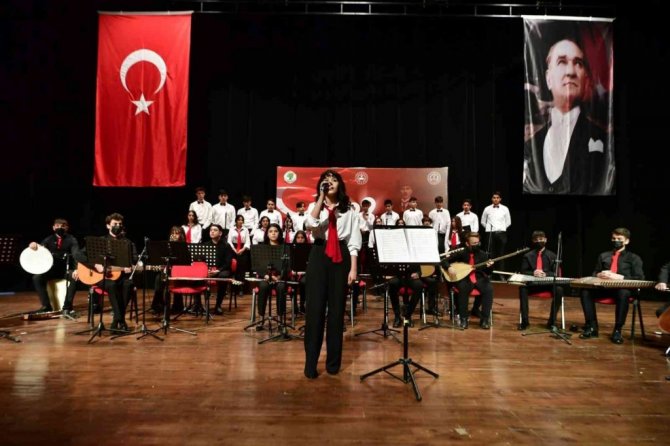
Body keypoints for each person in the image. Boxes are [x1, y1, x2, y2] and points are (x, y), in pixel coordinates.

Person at [523, 37, 613, 195]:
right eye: (562, 62)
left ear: (586, 80)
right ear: (548, 79)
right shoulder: (531, 146)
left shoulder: (604, 141)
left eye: (578, 63)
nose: (571, 72)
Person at [304, 169, 361, 379]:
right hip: (319, 254)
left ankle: (333, 363)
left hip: (341, 256)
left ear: (340, 185)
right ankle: (310, 363)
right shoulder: (314, 206)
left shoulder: (349, 210)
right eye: (326, 180)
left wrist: (353, 268)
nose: (330, 182)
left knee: (337, 312)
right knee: (315, 310)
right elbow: (310, 225)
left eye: (334, 179)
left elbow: (354, 240)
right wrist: (321, 199)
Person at [579, 227, 644, 344]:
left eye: (619, 239)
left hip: (623, 290)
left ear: (626, 241)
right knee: (585, 291)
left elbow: (640, 278)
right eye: (614, 238)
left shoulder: (634, 258)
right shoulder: (603, 255)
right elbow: (595, 272)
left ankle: (617, 330)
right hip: (605, 288)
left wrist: (619, 277)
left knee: (623, 293)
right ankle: (592, 326)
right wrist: (599, 274)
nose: (616, 241)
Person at [91, 213, 137, 331]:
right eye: (115, 224)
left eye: (120, 224)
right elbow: (81, 255)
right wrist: (96, 265)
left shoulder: (127, 242)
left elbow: (135, 259)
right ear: (108, 226)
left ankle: (116, 320)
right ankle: (121, 320)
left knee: (129, 284)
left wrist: (130, 265)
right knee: (112, 285)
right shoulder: (100, 241)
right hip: (102, 277)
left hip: (122, 276)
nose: (118, 226)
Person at [28, 218, 81, 315]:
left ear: (67, 228)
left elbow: (76, 255)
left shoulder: (72, 239)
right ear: (53, 228)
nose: (60, 228)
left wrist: (77, 269)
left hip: (66, 270)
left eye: (63, 226)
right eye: (57, 226)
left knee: (75, 278)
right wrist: (34, 245)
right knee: (37, 278)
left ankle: (67, 306)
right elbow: (40, 249)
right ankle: (46, 306)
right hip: (51, 270)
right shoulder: (48, 239)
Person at [443, 232, 494, 329]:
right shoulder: (461, 253)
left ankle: (484, 320)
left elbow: (488, 272)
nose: (476, 245)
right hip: (464, 278)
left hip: (478, 278)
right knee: (463, 288)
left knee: (489, 289)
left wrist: (489, 267)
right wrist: (449, 267)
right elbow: (444, 261)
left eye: (478, 243)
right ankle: (463, 319)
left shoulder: (483, 255)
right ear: (467, 243)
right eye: (474, 243)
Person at [517, 230, 563, 330]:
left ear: (545, 240)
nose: (539, 241)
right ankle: (524, 321)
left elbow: (556, 273)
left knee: (559, 290)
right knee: (522, 289)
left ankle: (552, 322)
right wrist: (533, 272)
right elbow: (523, 271)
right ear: (533, 241)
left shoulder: (553, 256)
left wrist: (545, 274)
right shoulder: (527, 256)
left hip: (547, 285)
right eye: (536, 240)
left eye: (541, 239)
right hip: (532, 284)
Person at [254, 223, 287, 330]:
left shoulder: (285, 248)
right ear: (267, 234)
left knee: (281, 287)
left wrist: (279, 277)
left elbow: (287, 266)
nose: (273, 233)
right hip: (266, 278)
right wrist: (266, 275)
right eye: (271, 231)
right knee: (263, 286)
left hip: (279, 278)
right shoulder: (262, 249)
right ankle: (261, 319)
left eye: (276, 231)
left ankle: (280, 320)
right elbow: (258, 266)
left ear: (279, 233)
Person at [150, 226, 185, 314]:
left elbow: (185, 262)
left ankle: (178, 306)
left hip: (180, 271)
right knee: (159, 278)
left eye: (177, 233)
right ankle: (158, 304)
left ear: (181, 235)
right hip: (168, 270)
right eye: (172, 233)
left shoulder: (184, 246)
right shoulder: (167, 246)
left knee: (176, 280)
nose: (174, 235)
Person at [480, 191, 511, 277]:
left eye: (497, 198)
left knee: (501, 254)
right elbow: (483, 221)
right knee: (490, 254)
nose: (496, 199)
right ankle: (489, 273)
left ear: (500, 199)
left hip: (501, 233)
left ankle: (501, 274)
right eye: (494, 197)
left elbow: (508, 222)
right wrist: (489, 229)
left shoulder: (505, 208)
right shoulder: (487, 208)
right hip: (490, 233)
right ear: (492, 199)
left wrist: (501, 228)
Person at [206, 224, 234, 315]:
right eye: (211, 230)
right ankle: (198, 304)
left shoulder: (226, 246)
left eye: (215, 230)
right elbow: (201, 261)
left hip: (222, 270)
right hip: (209, 269)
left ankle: (218, 305)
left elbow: (228, 263)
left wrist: (218, 270)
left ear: (220, 233)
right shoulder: (206, 245)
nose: (212, 232)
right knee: (197, 274)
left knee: (223, 276)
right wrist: (207, 270)